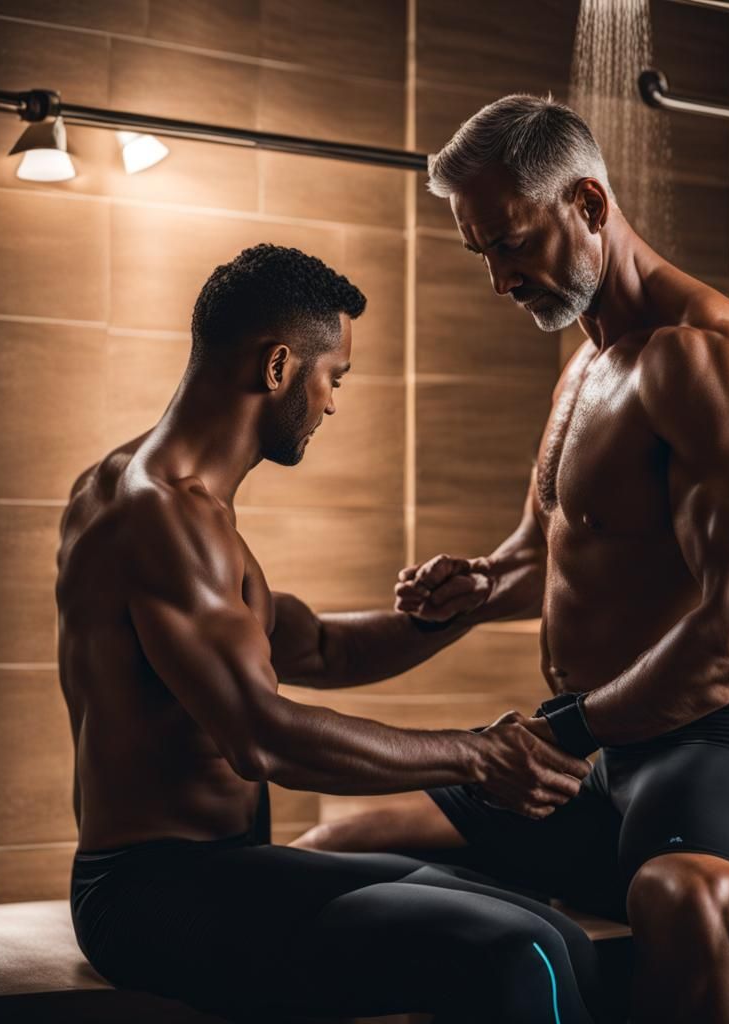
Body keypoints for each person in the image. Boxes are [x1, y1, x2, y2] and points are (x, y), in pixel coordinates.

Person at [294, 94, 729, 1024]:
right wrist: (478, 586)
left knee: (686, 905)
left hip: (692, 753)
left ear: (591, 206)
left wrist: (565, 732)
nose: (499, 280)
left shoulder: (712, 362)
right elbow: (550, 558)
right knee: (333, 853)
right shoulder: (584, 366)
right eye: (480, 252)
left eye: (512, 243)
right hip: (580, 756)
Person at [57, 243, 604, 1023]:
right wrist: (475, 756)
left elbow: (318, 650)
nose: (333, 404)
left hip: (220, 874)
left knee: (558, 934)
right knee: (526, 954)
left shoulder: (169, 500)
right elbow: (262, 738)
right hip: (152, 895)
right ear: (279, 366)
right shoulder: (159, 513)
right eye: (333, 377)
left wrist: (453, 609)